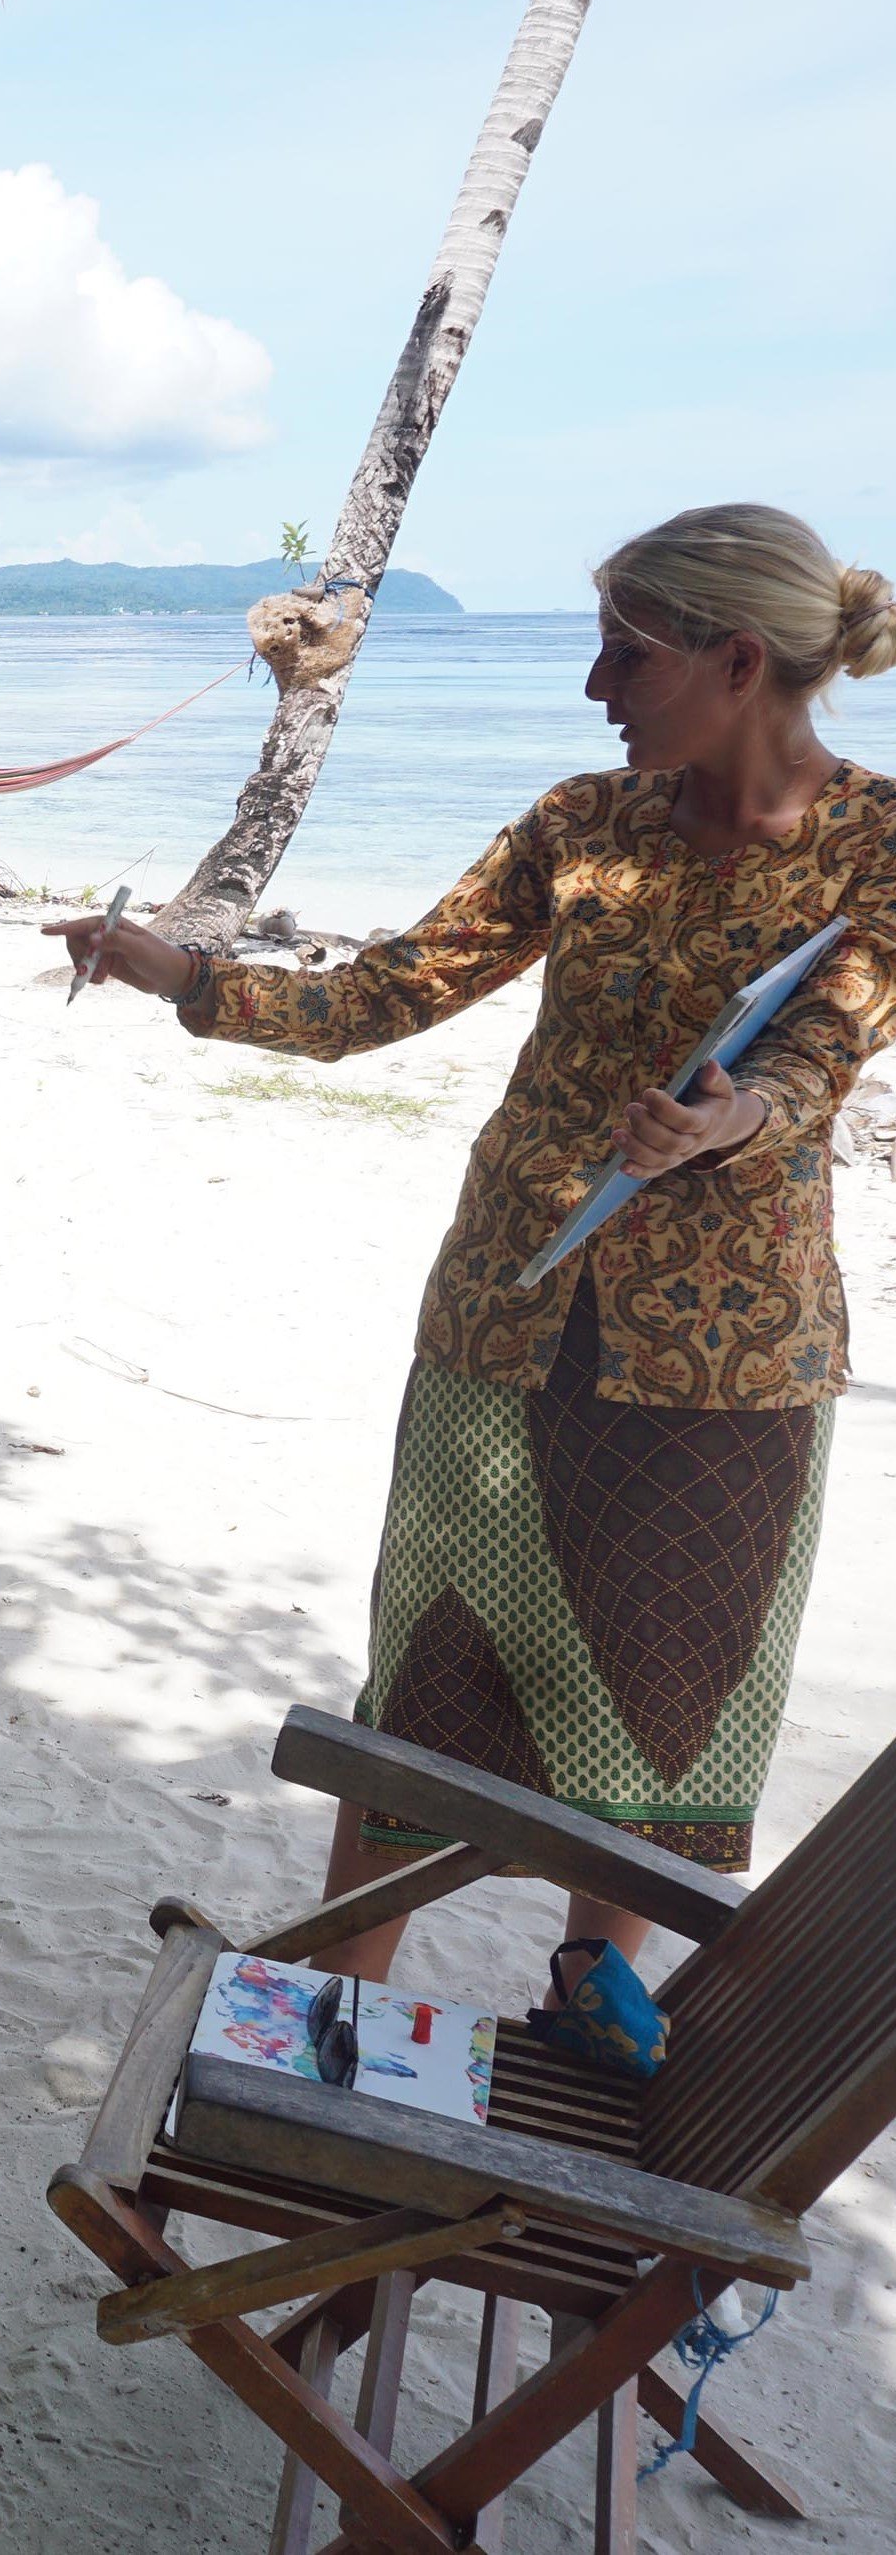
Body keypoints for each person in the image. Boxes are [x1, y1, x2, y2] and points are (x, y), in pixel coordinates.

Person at [51, 504, 896, 1980]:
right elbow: (389, 988)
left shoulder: (881, 844)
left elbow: (824, 1046)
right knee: (429, 1673)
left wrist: (728, 1121)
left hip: (731, 1347)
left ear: (736, 659)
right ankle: (337, 1984)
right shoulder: (576, 822)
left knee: (663, 1678)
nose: (592, 687)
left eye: (622, 655)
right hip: (503, 1313)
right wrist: (177, 973)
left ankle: (589, 1984)